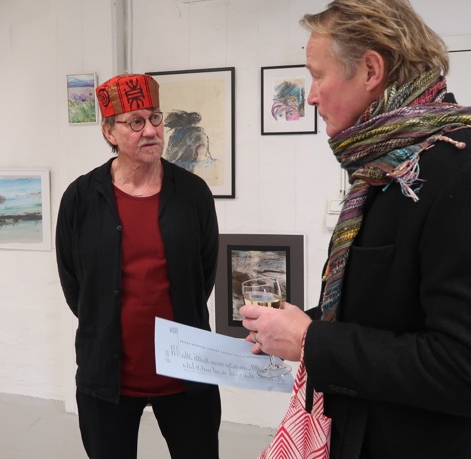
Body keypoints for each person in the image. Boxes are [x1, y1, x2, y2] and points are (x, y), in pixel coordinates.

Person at [240, 1, 471, 458]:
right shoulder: (386, 167)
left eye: (317, 76)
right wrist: (295, 324)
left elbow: (461, 365)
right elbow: (392, 308)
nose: (310, 97)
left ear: (370, 70)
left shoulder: (457, 171)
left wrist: (311, 340)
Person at [55, 73, 221, 459]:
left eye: (155, 118)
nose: (150, 131)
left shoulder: (193, 194)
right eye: (135, 122)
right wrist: (104, 321)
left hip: (186, 375)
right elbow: (74, 282)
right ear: (109, 132)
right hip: (106, 379)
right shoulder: (80, 198)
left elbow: (202, 275)